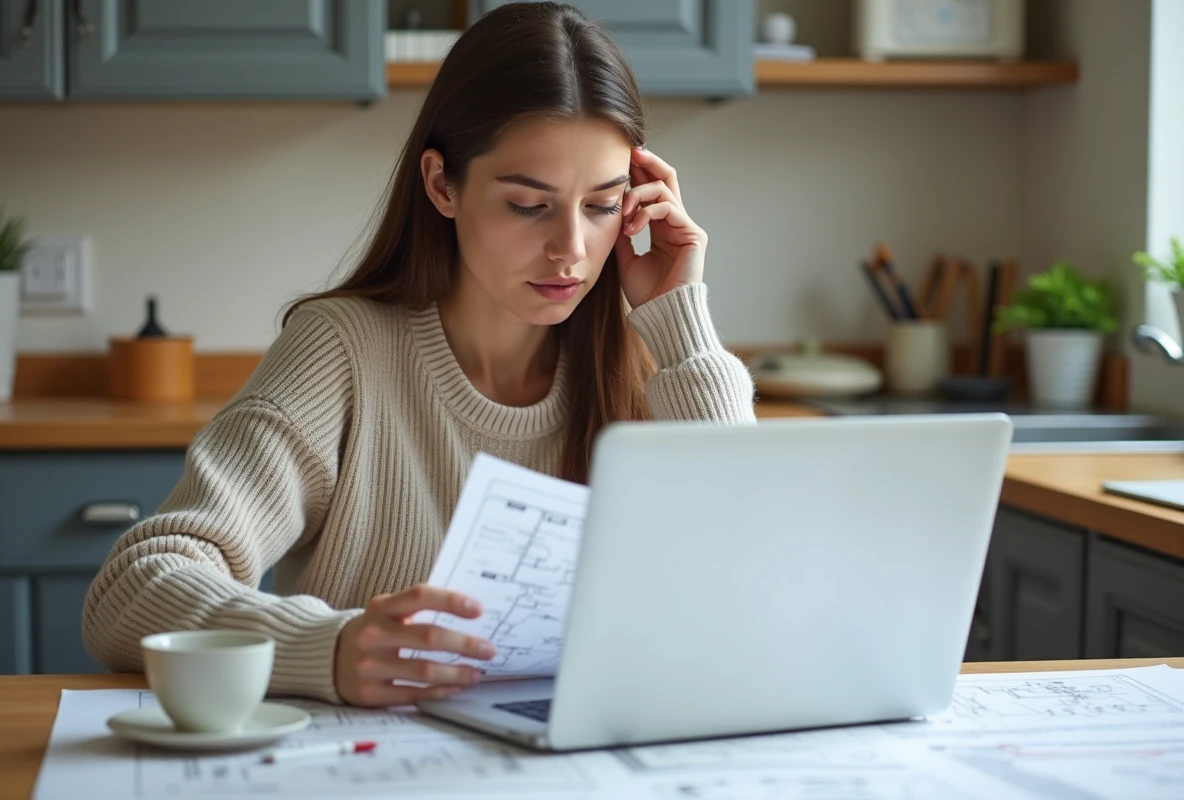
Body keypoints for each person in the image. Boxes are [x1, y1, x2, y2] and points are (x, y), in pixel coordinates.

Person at [82, 1, 755, 709]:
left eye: (602, 205)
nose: (572, 250)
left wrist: (680, 321)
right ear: (442, 185)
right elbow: (132, 590)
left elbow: (752, 585)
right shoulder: (342, 352)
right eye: (529, 205)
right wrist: (328, 648)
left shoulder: (648, 378)